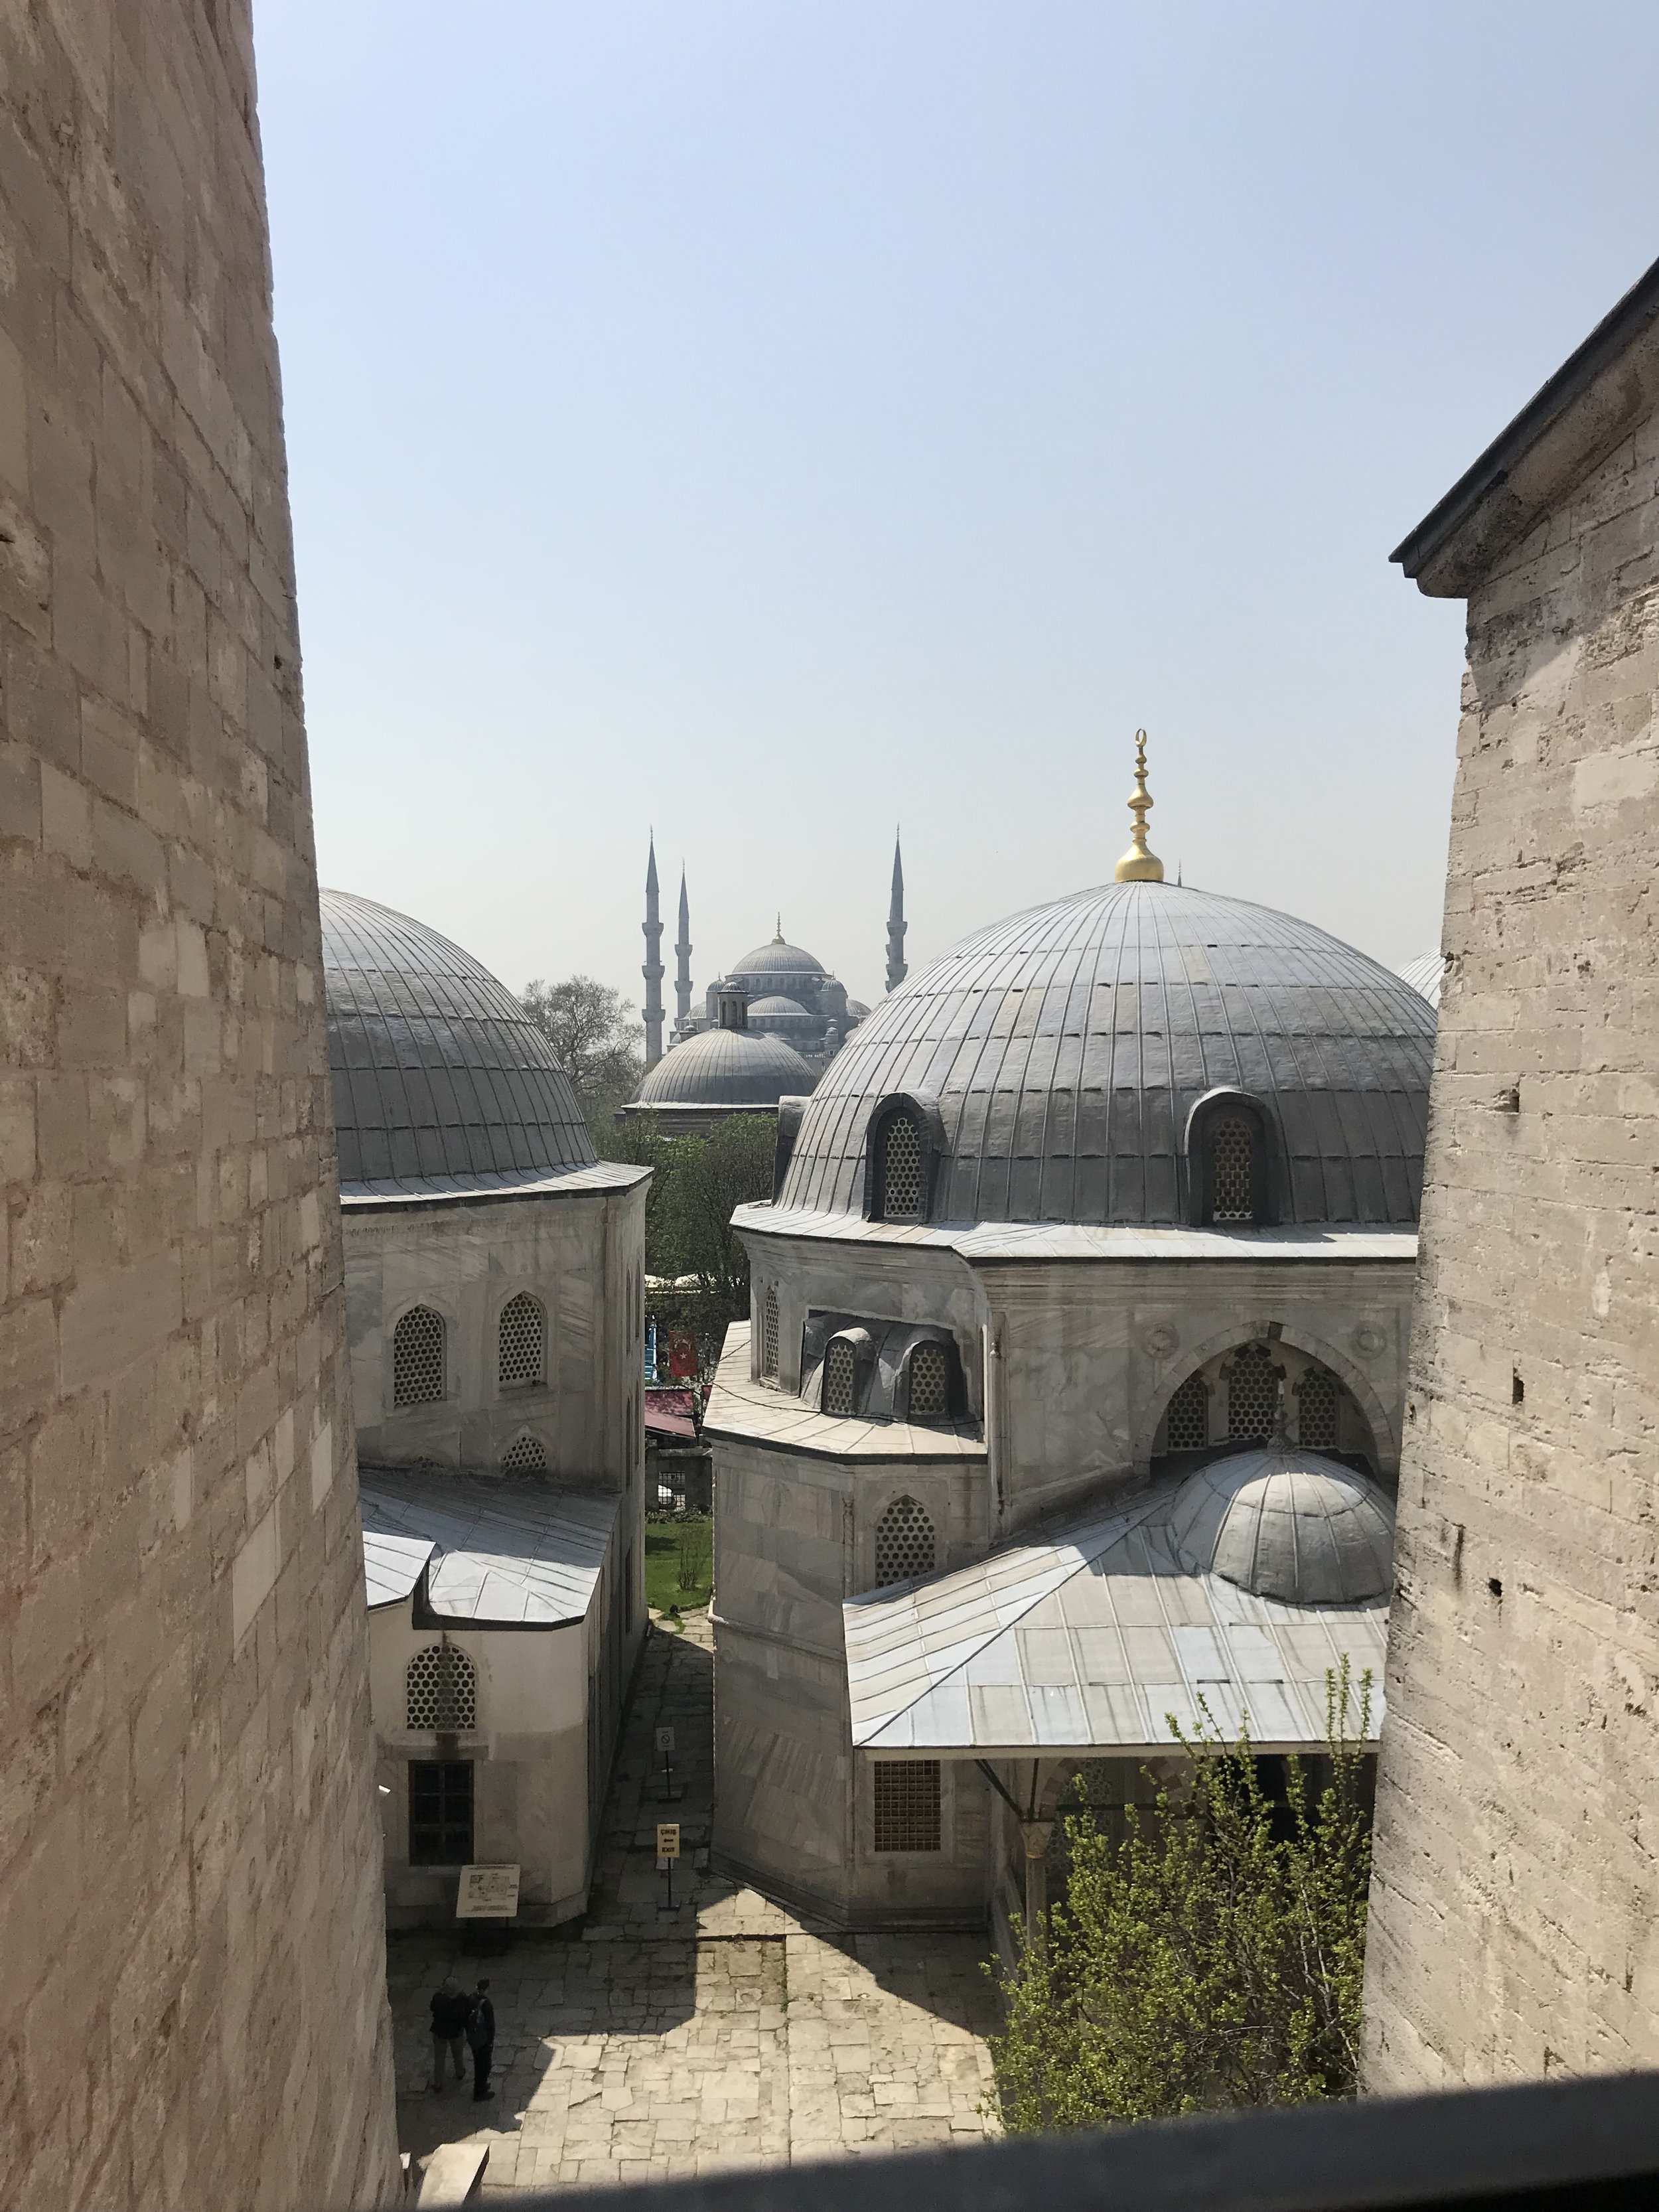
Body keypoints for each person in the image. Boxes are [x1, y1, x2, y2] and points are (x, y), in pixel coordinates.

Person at [429, 1975, 468, 2093]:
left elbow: (432, 2008)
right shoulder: (461, 1999)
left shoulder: (438, 1999)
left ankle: (438, 2083)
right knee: (458, 2055)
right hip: (456, 2033)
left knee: (439, 2058)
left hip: (440, 2032)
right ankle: (460, 2072)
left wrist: (439, 1992)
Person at [467, 1978, 496, 2102]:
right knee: (484, 2067)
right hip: (483, 2040)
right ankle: (480, 2092)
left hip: (474, 2038)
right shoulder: (486, 2005)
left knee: (478, 2064)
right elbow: (490, 2025)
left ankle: (481, 2086)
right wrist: (490, 2042)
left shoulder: (471, 1998)